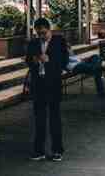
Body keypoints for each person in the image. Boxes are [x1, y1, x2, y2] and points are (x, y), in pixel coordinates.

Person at [26, 18, 68, 162]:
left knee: (55, 118)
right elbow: (27, 60)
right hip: (39, 84)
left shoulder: (59, 41)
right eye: (39, 34)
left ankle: (57, 150)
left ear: (49, 30)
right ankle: (39, 150)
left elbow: (64, 61)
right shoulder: (33, 43)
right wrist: (35, 60)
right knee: (39, 119)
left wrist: (49, 61)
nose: (41, 36)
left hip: (53, 83)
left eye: (43, 33)